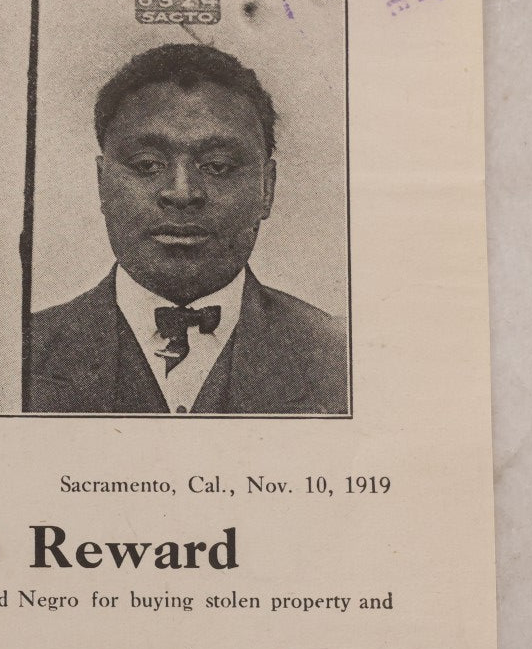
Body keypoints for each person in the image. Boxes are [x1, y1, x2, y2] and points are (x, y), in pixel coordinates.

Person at [27, 42, 347, 415]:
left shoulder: (338, 358)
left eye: (218, 166)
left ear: (266, 188)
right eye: (147, 165)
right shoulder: (22, 354)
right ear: (102, 184)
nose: (181, 193)